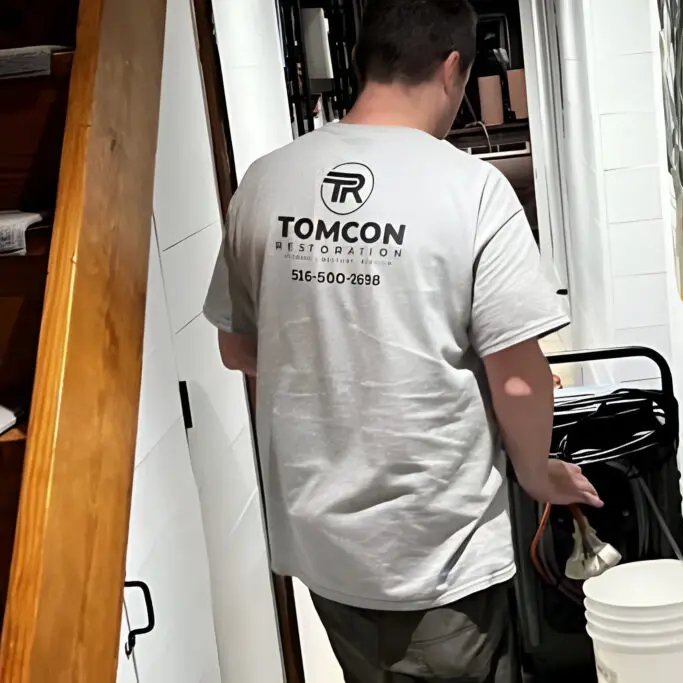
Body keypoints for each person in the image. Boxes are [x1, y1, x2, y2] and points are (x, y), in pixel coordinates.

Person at [203, 0, 601, 680]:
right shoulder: (473, 190)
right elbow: (516, 374)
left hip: (323, 550)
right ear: (452, 69)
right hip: (438, 552)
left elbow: (238, 349)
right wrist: (540, 475)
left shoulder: (264, 182)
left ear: (363, 62)